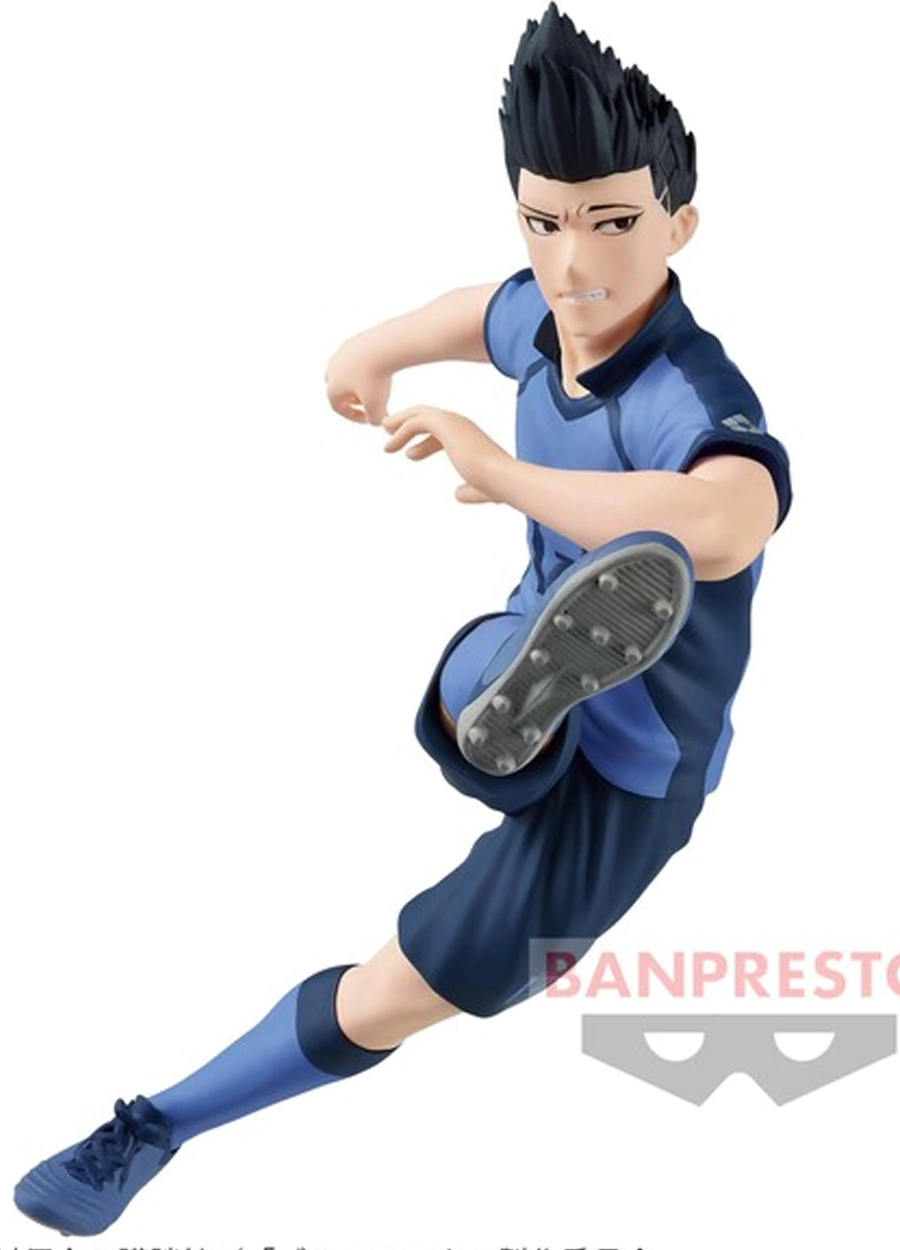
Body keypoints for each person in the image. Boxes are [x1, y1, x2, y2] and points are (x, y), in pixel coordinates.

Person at [13, 3, 791, 1236]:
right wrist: (369, 349)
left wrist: (504, 470)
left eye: (612, 223)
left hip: (638, 776)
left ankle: (161, 1119)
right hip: (529, 662)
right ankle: (517, 696)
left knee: (400, 988)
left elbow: (730, 517)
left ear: (678, 225)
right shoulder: (547, 314)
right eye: (543, 221)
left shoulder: (685, 387)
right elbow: (474, 312)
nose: (573, 265)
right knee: (486, 671)